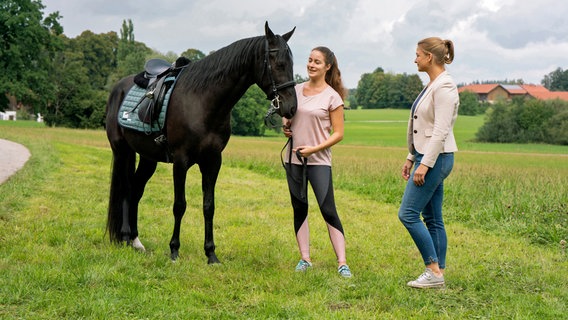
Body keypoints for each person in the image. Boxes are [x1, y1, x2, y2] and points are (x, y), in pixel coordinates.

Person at [282, 46, 351, 278]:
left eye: (317, 62)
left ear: (327, 67)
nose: (311, 65)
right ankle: (305, 259)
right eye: (310, 60)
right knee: (299, 208)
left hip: (319, 161)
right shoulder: (296, 90)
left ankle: (342, 262)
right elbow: (290, 116)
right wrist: (286, 124)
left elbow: (338, 134)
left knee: (328, 210)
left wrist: (314, 149)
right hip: (293, 159)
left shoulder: (333, 97)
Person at [398, 37, 459, 288]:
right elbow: (423, 127)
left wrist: (425, 164)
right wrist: (412, 157)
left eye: (418, 55)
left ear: (429, 57)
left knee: (408, 214)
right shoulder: (433, 84)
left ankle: (432, 270)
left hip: (437, 158)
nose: (415, 59)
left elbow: (441, 131)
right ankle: (439, 274)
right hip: (426, 155)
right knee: (433, 217)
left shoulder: (444, 86)